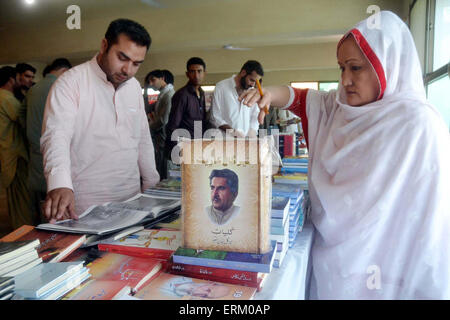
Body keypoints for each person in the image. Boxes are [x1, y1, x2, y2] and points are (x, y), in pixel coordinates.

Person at [239, 11, 450, 299]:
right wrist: (269, 94)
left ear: (388, 66)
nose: (346, 80)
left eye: (356, 68)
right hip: (335, 262)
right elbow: (300, 99)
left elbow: (430, 222)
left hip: (390, 264)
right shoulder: (339, 107)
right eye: (341, 68)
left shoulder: (418, 125)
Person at [41, 18, 160, 223]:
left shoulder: (132, 87)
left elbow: (141, 138)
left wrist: (152, 182)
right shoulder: (71, 83)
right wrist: (59, 184)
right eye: (122, 58)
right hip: (84, 204)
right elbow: (56, 136)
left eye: (136, 64)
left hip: (131, 199)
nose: (128, 70)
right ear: (104, 46)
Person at [26, 58, 72, 223]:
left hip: (34, 156)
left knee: (40, 205)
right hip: (56, 159)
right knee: (58, 210)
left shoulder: (32, 90)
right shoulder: (62, 87)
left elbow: (20, 117)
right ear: (64, 72)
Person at [0, 66, 33, 229]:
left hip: (7, 155)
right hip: (16, 156)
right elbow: (23, 120)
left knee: (15, 201)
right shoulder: (6, 98)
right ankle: (25, 235)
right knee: (22, 202)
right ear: (11, 80)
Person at [165, 57, 210, 162]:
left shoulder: (202, 93)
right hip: (183, 146)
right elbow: (173, 124)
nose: (196, 75)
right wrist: (176, 150)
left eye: (199, 71)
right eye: (192, 72)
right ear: (187, 74)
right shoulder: (182, 95)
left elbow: (200, 122)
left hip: (197, 145)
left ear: (204, 73)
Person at [210, 60, 264, 138]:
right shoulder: (221, 87)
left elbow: (255, 115)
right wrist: (233, 133)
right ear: (243, 73)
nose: (253, 84)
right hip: (224, 141)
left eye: (256, 82)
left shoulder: (252, 91)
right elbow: (215, 117)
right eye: (252, 80)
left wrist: (252, 133)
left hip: (245, 142)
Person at [146, 69, 175, 179]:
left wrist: (148, 128)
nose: (151, 84)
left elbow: (164, 120)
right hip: (159, 136)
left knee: (164, 168)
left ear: (162, 78)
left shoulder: (169, 95)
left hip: (164, 136)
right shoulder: (163, 94)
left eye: (153, 80)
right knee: (160, 166)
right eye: (149, 81)